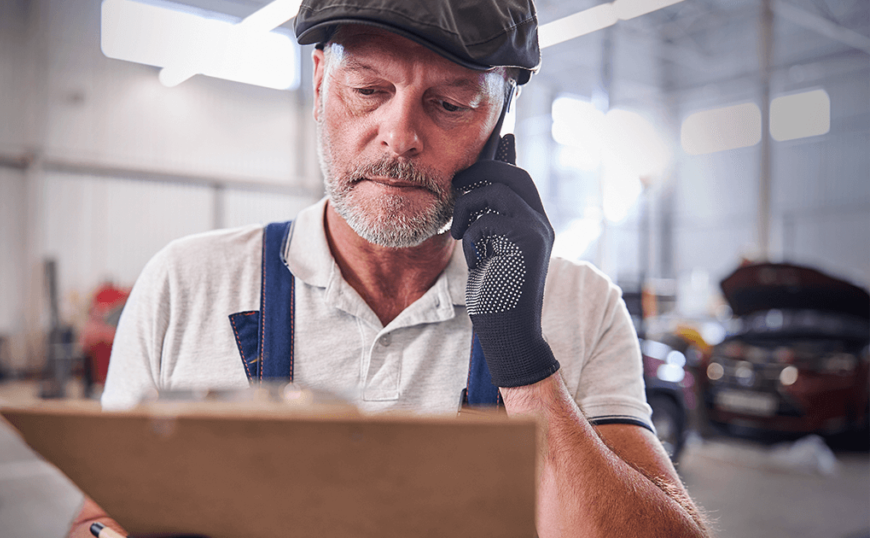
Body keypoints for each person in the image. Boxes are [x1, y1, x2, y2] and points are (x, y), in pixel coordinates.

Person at [70, 0, 709, 536]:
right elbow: (96, 518)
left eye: (452, 104)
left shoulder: (582, 303)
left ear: (500, 121)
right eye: (369, 91)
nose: (398, 134)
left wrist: (522, 361)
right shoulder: (185, 285)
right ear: (320, 83)